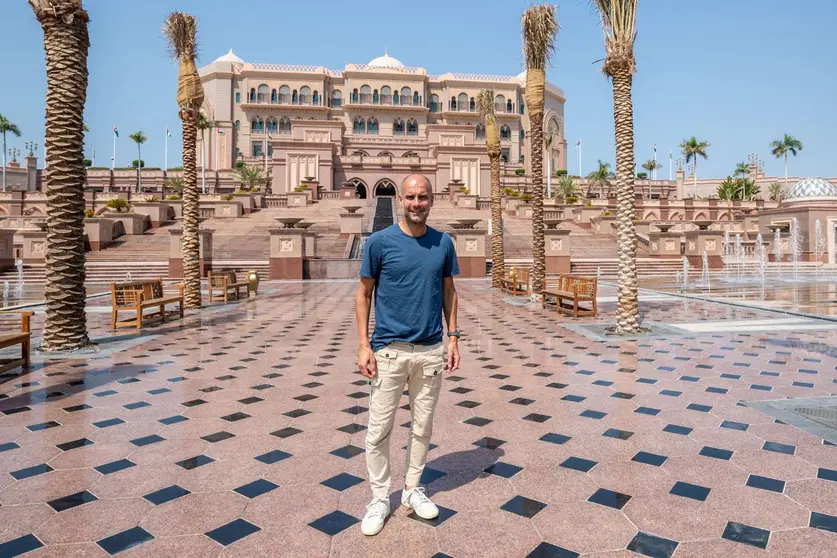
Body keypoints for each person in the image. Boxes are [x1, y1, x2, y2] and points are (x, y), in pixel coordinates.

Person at [355, 174, 461, 536]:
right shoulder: (380, 242)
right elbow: (363, 294)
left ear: (432, 200)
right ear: (400, 198)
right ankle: (380, 497)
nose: (417, 203)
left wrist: (454, 338)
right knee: (378, 430)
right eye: (412, 197)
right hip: (388, 351)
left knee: (422, 427)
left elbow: (450, 291)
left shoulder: (444, 243)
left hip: (430, 351)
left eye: (424, 197)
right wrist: (363, 345)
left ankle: (413, 489)